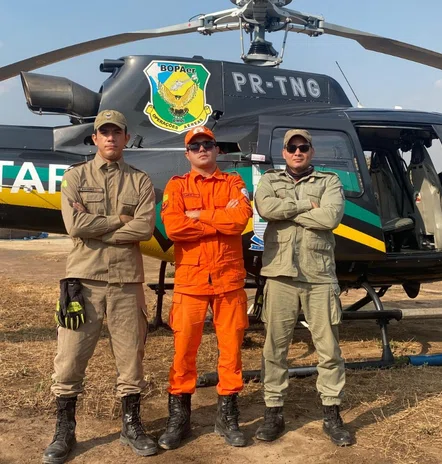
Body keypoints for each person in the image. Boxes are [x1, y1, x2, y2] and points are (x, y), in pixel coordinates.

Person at [43, 110, 157, 463]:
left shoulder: (141, 181)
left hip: (126, 283)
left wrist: (101, 229)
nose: (110, 138)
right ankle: (65, 430)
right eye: (103, 132)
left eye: (116, 132)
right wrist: (118, 221)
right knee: (69, 360)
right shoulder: (75, 177)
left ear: (126, 138)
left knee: (131, 362)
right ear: (94, 138)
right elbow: (74, 225)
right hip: (84, 284)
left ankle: (131, 425)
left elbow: (145, 228)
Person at [254, 129, 351, 446]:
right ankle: (273, 412)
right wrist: (306, 205)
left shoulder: (330, 181)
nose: (297, 152)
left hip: (319, 277)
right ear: (284, 152)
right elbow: (266, 209)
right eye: (292, 148)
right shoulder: (269, 180)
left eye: (303, 147)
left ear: (311, 151)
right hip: (280, 276)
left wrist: (289, 207)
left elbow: (331, 217)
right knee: (274, 349)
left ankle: (332, 413)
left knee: (329, 350)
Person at [159, 126, 253, 449]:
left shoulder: (233, 182)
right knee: (184, 352)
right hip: (191, 282)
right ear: (187, 154)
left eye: (208, 144)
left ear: (217, 150)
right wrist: (217, 217)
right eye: (195, 145)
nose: (202, 149)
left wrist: (197, 215)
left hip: (228, 280)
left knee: (232, 351)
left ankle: (227, 415)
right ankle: (179, 416)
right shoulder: (177, 185)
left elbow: (240, 219)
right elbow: (173, 227)